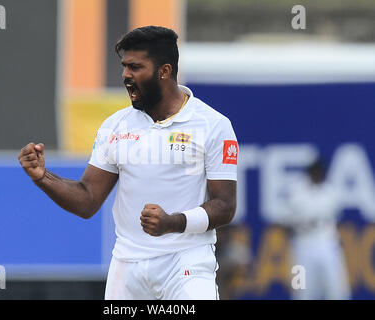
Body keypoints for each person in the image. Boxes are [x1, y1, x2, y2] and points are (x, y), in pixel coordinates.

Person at [18, 26, 238, 300]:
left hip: (187, 263)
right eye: (124, 67)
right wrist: (42, 177)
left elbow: (225, 206)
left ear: (164, 71)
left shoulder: (213, 125)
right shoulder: (115, 126)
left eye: (135, 68)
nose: (126, 76)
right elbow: (87, 200)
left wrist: (173, 222)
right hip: (127, 267)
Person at [280, 158, 351, 300]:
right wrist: (300, 227)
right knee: (301, 290)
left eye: (319, 172)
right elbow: (284, 221)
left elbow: (335, 220)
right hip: (303, 245)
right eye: (314, 172)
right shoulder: (297, 192)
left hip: (328, 244)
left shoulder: (330, 192)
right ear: (309, 173)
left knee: (336, 290)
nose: (317, 175)